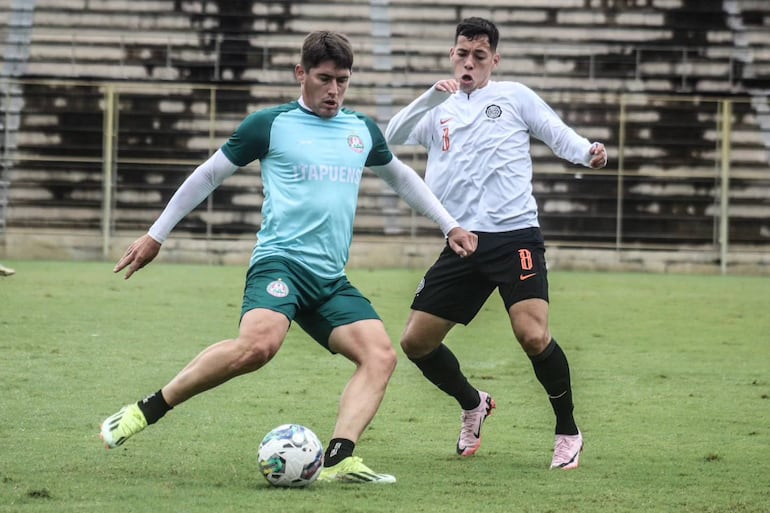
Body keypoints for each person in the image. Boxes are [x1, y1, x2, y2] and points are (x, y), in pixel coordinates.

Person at [99, 30, 478, 484]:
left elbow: (402, 179)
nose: (334, 90)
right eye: (324, 79)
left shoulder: (360, 130)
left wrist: (449, 223)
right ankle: (147, 410)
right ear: (301, 74)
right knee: (259, 347)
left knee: (380, 356)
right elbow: (208, 175)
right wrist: (155, 235)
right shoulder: (270, 124)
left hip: (329, 278)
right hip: (280, 263)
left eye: (343, 80)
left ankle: (339, 459)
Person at [384, 17, 608, 470]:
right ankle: (473, 403)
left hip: (515, 237)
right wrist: (431, 94)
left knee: (532, 334)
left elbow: (556, 131)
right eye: (462, 54)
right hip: (462, 240)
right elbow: (389, 137)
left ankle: (567, 430)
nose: (469, 63)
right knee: (415, 344)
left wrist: (587, 152)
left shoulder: (513, 96)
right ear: (452, 55)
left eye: (479, 56)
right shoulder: (437, 109)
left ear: (494, 60)